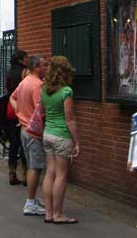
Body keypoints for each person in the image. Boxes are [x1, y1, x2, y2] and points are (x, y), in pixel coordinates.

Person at [41, 56, 80, 225]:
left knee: (50, 172)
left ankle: (48, 213)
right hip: (62, 136)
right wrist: (77, 141)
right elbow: (69, 119)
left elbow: (43, 111)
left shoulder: (44, 88)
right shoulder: (66, 92)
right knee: (61, 175)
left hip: (47, 134)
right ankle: (58, 214)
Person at [10, 55, 48, 216]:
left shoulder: (24, 81)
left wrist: (20, 114)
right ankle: (30, 202)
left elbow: (12, 97)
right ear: (36, 68)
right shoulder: (37, 85)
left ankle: (32, 200)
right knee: (35, 167)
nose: (47, 68)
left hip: (24, 129)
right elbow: (41, 110)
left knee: (33, 164)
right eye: (45, 65)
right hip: (33, 132)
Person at [5, 50, 29, 185]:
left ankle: (12, 173)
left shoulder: (9, 72)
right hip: (23, 109)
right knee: (25, 143)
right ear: (21, 59)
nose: (28, 59)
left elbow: (7, 91)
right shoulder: (25, 72)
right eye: (26, 57)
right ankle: (26, 174)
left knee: (14, 143)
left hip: (10, 109)